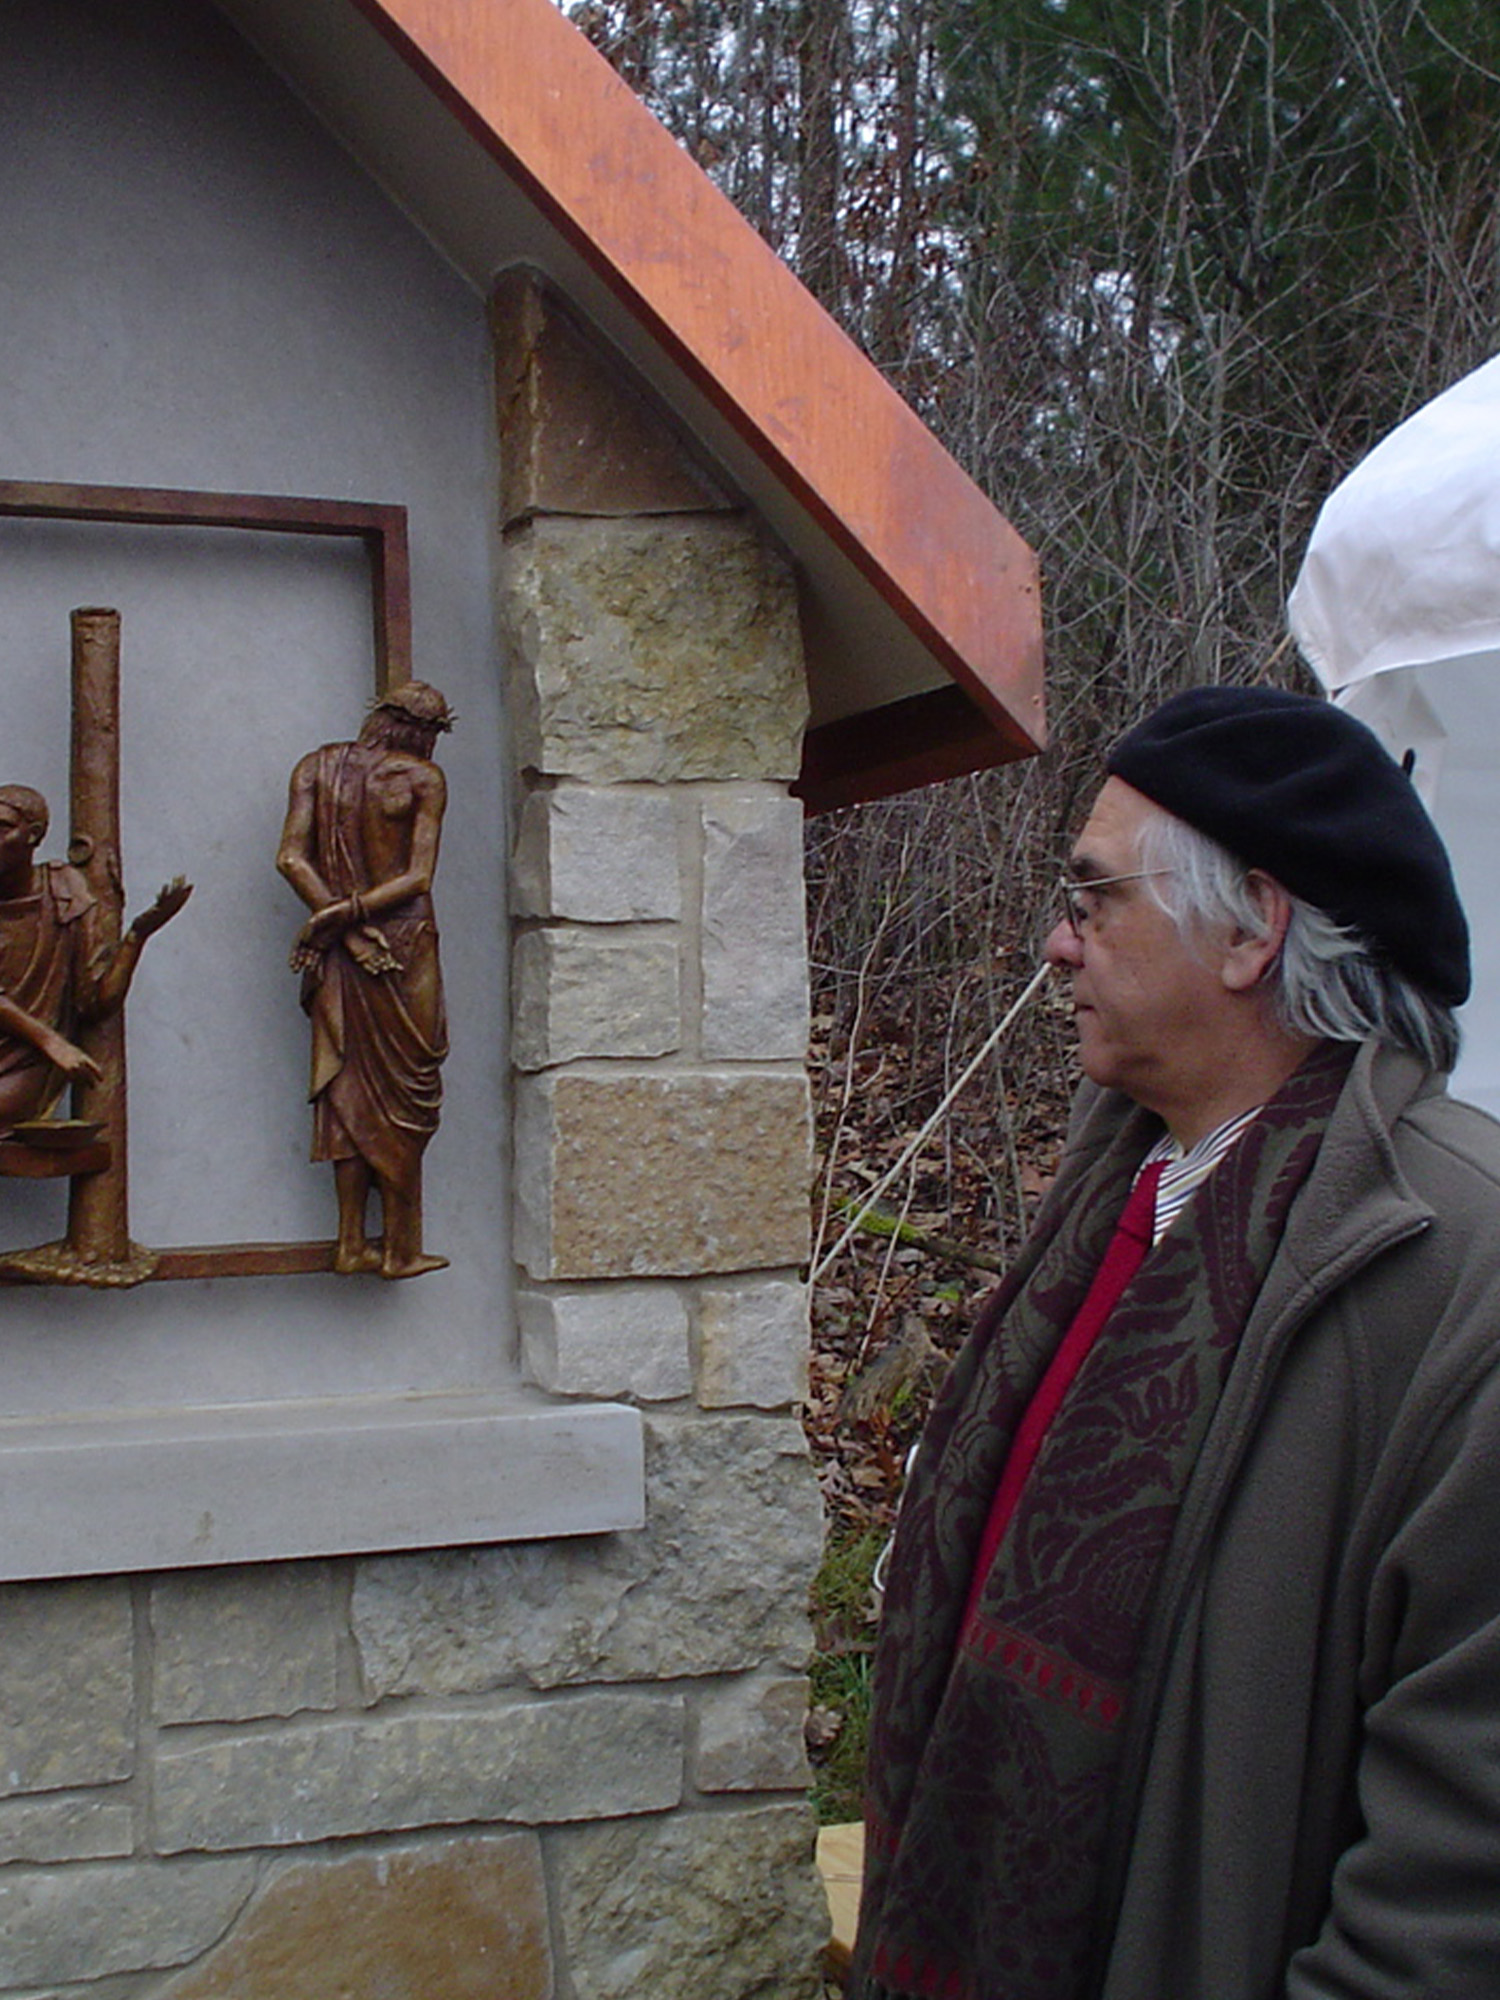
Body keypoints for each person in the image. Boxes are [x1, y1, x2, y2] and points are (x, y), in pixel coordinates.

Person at [851, 684, 1500, 2000]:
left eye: (1095, 901)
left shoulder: (1455, 1271)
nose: (1055, 944)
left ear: (1252, 928)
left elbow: (1458, 1872)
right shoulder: (1128, 1195)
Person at [277, 681, 453, 1280]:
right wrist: (350, 926)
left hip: (347, 944)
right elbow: (418, 876)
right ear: (422, 730)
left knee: (350, 1090)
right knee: (405, 1095)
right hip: (402, 942)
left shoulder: (317, 766)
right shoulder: (423, 780)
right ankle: (395, 1248)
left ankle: (352, 1242)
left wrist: (334, 920)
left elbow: (292, 860)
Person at [0, 782, 190, 1134]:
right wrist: (53, 1042)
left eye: (3, 828)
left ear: (34, 835)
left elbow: (95, 1002)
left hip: (22, 1063)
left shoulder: (62, 893)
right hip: (45, 1045)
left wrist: (137, 936)